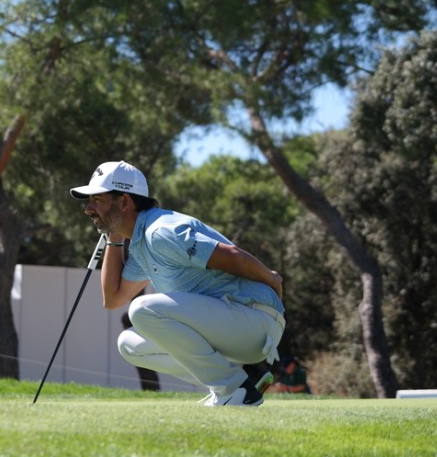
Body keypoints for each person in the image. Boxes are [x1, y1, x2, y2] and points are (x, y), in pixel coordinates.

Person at [70, 160, 285, 408]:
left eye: (97, 200)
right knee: (129, 344)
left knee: (142, 309)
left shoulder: (161, 231)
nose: (88, 209)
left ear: (124, 202)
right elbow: (113, 299)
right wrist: (114, 237)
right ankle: (243, 379)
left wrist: (273, 280)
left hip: (256, 320)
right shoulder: (140, 242)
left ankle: (236, 391)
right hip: (233, 329)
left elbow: (234, 256)